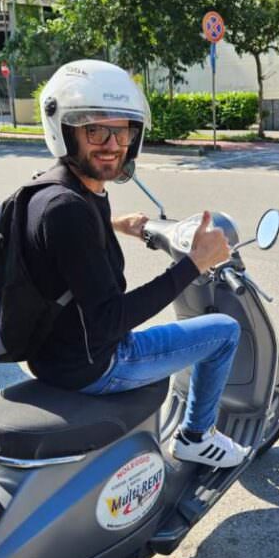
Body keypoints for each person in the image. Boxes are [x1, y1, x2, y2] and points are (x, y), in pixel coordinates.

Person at [22, 59, 249, 468]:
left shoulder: (58, 189)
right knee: (225, 332)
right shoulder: (68, 209)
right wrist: (194, 263)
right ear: (66, 130)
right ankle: (197, 436)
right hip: (95, 365)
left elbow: (62, 245)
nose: (112, 143)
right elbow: (112, 322)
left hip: (54, 353)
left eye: (122, 129)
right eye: (94, 129)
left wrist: (118, 226)